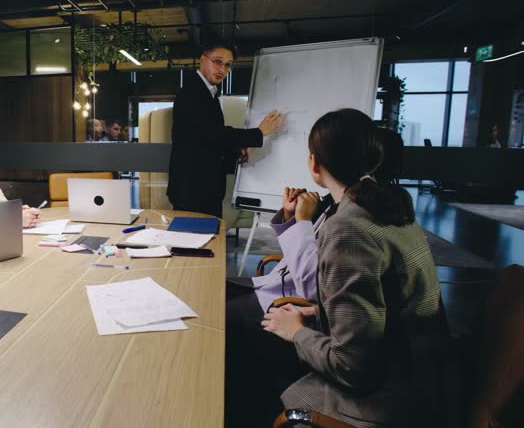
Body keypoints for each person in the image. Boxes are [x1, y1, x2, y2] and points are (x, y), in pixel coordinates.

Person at [260, 109, 450, 427]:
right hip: (425, 367)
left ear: (315, 165)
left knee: (250, 367)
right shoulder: (389, 204)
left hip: (392, 391)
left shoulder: (349, 227)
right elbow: (380, 300)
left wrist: (296, 332)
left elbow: (353, 367)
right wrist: (318, 314)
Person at [224, 126, 406, 426]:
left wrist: (302, 222)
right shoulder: (361, 208)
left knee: (220, 329)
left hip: (309, 320)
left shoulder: (351, 225)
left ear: (315, 163)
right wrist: (293, 217)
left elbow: (317, 286)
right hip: (301, 304)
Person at [168, 41, 285, 217]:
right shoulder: (192, 93)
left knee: (206, 242)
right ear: (202, 60)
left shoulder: (209, 92)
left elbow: (205, 137)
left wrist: (234, 149)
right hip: (192, 191)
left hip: (202, 189)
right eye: (217, 61)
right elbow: (214, 133)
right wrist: (259, 133)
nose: (222, 69)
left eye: (228, 65)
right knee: (193, 243)